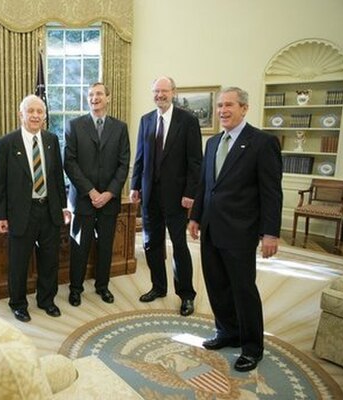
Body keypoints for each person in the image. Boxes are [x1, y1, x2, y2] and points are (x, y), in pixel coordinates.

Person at [188, 87, 282, 372]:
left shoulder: (263, 143)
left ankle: (252, 347)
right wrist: (195, 217)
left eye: (229, 105)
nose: (222, 111)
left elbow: (271, 192)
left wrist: (270, 233)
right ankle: (227, 332)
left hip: (240, 232)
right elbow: (206, 185)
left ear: (244, 108)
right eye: (219, 106)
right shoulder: (213, 143)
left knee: (243, 290)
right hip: (211, 228)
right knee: (216, 285)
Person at [0, 94, 70, 322]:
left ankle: (46, 299)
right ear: (21, 115)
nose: (35, 116)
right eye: (31, 111)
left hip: (49, 209)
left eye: (40, 112)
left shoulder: (51, 140)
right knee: (19, 261)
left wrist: (63, 207)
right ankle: (18, 303)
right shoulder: (6, 143)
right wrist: (0, 215)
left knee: (49, 259)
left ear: (44, 117)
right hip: (20, 213)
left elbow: (56, 176)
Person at [130, 76, 202, 316]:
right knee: (151, 244)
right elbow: (140, 157)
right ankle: (158, 287)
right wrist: (135, 185)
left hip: (177, 197)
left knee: (179, 246)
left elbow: (195, 162)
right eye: (156, 91)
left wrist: (190, 193)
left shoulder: (188, 121)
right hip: (150, 197)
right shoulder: (146, 120)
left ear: (173, 92)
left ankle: (186, 295)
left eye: (163, 91)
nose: (159, 95)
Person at [64, 82, 130, 306]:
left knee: (105, 247)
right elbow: (70, 163)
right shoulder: (74, 125)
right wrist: (91, 191)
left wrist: (109, 193)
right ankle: (76, 288)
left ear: (108, 98)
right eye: (91, 94)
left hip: (109, 201)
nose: (94, 98)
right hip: (83, 199)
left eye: (99, 94)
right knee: (79, 247)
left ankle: (103, 286)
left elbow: (124, 164)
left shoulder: (120, 128)